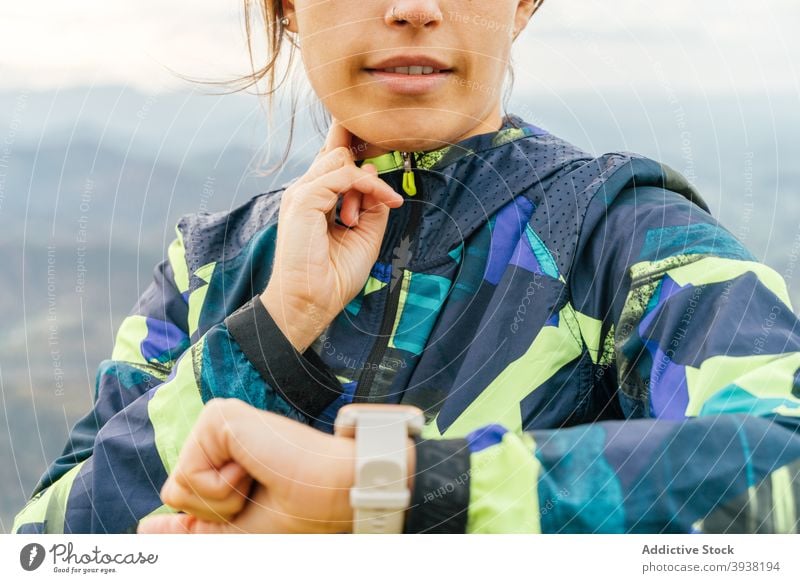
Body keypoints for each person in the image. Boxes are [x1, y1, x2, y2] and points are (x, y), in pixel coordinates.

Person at [14, 0, 800, 535]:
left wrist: (379, 488)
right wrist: (274, 331)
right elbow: (44, 544)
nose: (415, 6)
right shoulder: (208, 271)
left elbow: (782, 456)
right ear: (285, 7)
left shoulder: (620, 240)